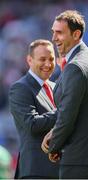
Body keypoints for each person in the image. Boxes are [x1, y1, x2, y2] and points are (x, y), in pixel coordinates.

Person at [41, 10, 88, 179]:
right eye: (53, 32)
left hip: (80, 157)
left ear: (76, 34)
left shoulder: (76, 66)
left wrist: (54, 145)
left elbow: (68, 114)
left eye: (59, 33)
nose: (54, 38)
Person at [9, 39, 59, 179]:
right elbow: (31, 124)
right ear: (29, 60)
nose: (48, 64)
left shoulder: (56, 87)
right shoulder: (20, 88)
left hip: (60, 169)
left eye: (51, 59)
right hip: (36, 170)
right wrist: (65, 112)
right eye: (42, 59)